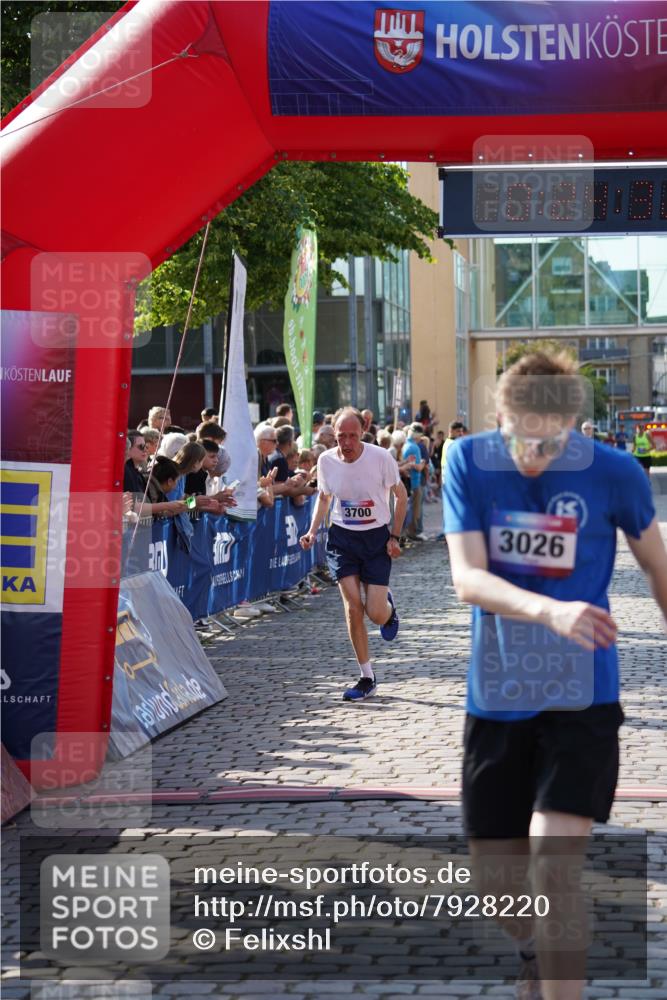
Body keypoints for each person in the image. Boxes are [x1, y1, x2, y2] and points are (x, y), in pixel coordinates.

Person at [444, 351, 667, 1000]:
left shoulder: (615, 473)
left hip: (583, 700)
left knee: (553, 867)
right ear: (497, 417)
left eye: (550, 440)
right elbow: (467, 577)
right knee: (496, 888)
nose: (532, 453)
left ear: (573, 425)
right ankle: (536, 950)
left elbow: (656, 563)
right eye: (519, 435)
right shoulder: (466, 461)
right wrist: (550, 609)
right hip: (497, 699)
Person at [300, 407, 408, 702]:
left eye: (352, 435)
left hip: (375, 538)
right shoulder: (325, 460)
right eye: (340, 436)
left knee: (375, 612)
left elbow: (401, 497)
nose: (346, 442)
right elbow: (324, 498)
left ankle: (387, 609)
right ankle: (366, 676)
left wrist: (395, 535)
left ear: (362, 433)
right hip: (342, 539)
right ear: (333, 435)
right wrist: (311, 531)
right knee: (352, 607)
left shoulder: (380, 458)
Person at [402, 423, 427, 541]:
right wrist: (422, 463)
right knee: (415, 509)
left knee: (412, 507)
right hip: (415, 482)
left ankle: (410, 531)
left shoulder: (406, 445)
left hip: (410, 481)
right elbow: (416, 467)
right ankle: (413, 532)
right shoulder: (414, 447)